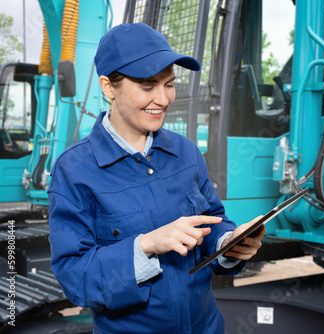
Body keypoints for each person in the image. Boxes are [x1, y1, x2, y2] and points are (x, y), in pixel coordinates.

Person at [48, 23, 265, 334]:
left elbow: (214, 220)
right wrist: (147, 244)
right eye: (148, 86)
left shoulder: (186, 153)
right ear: (109, 87)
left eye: (169, 84)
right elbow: (75, 277)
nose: (163, 99)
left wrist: (229, 243)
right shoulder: (74, 170)